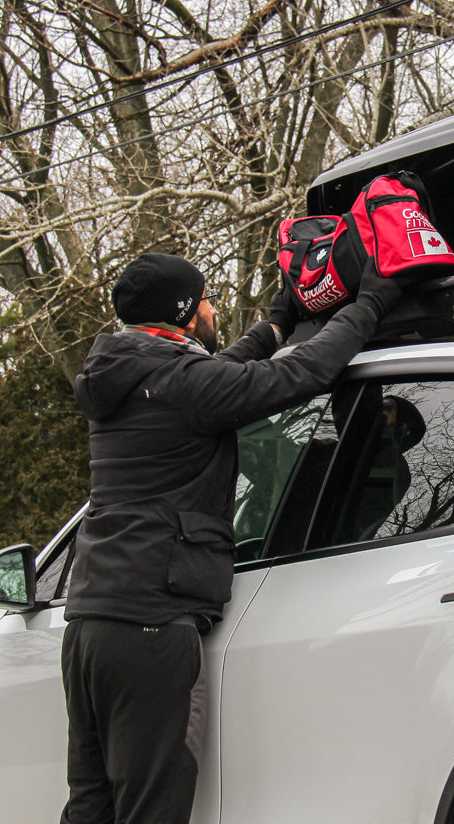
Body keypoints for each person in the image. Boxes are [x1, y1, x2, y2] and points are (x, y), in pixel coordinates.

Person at [60, 251, 399, 824]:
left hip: (90, 623)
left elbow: (216, 375)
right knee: (152, 809)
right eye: (207, 299)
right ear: (184, 312)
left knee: (91, 806)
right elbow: (299, 375)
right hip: (152, 623)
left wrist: (278, 323)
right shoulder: (183, 384)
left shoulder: (123, 375)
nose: (214, 308)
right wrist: (369, 303)